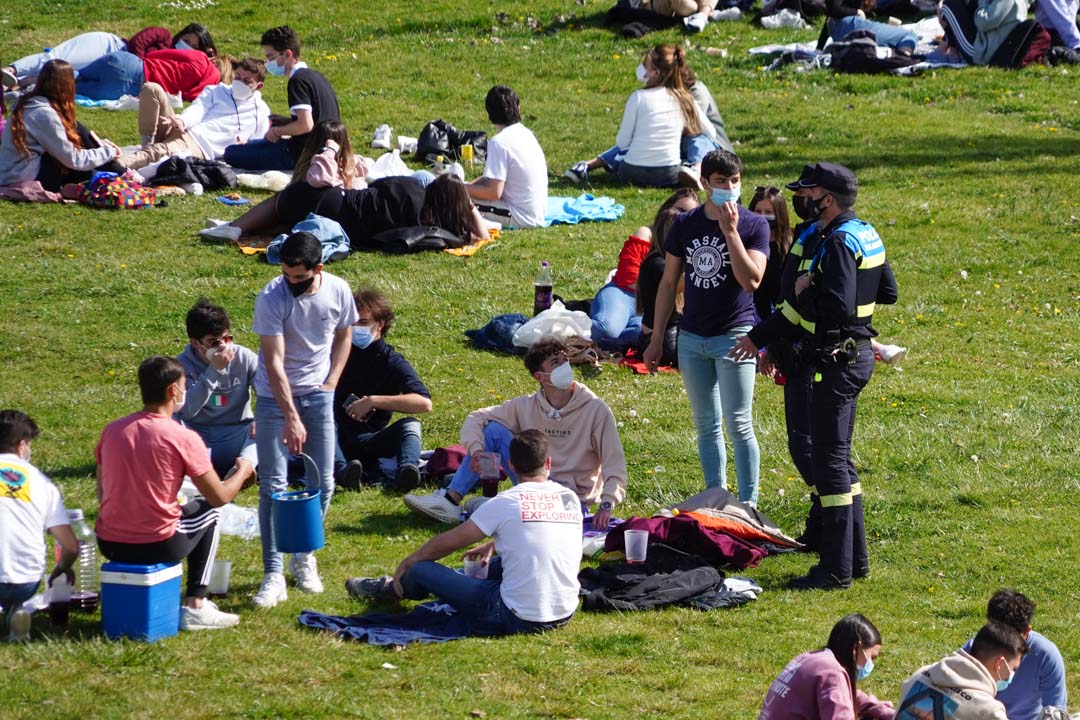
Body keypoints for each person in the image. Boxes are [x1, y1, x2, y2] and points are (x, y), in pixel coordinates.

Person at [778, 162, 897, 590]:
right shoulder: (866, 232)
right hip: (857, 355)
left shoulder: (838, 242)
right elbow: (888, 292)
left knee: (830, 463)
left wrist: (811, 286)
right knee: (840, 461)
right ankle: (856, 560)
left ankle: (835, 569)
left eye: (807, 193)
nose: (801, 199)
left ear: (826, 198)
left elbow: (838, 308)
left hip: (837, 360)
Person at [346, 430, 581, 637]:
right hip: (564, 612)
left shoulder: (507, 502)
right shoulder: (568, 498)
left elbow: (449, 542)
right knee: (494, 565)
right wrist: (494, 545)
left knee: (421, 569)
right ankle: (433, 581)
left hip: (514, 616)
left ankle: (392, 588)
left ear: (511, 465)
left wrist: (410, 561)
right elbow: (545, 538)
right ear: (548, 463)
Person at [644, 149, 769, 506]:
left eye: (735, 181)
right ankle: (717, 494)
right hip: (692, 337)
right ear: (704, 183)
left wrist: (731, 233)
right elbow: (668, 284)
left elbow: (752, 281)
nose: (729, 188)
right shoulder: (686, 225)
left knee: (738, 423)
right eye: (721, 182)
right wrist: (656, 339)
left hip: (734, 335)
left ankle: (748, 504)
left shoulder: (753, 225)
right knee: (706, 424)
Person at [404, 338, 627, 530]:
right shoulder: (527, 406)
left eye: (565, 360)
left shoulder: (596, 410)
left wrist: (607, 504)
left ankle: (495, 506)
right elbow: (476, 417)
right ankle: (451, 500)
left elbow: (614, 464)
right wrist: (477, 451)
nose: (564, 366)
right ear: (540, 377)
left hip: (570, 500)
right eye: (556, 362)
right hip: (534, 482)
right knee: (493, 430)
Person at [95, 356, 248, 630]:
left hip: (109, 543)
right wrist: (244, 471)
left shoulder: (112, 430)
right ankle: (196, 605)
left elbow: (103, 492)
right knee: (209, 512)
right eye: (184, 385)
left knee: (190, 507)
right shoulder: (182, 437)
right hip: (156, 543)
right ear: (173, 391)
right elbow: (219, 497)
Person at [250, 232, 358, 608]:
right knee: (273, 486)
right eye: (285, 274)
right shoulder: (271, 296)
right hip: (272, 399)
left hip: (318, 395)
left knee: (323, 483)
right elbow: (274, 363)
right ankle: (272, 573)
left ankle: (303, 556)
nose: (290, 283)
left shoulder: (339, 290)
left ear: (319, 269)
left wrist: (332, 381)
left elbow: (345, 335)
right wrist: (290, 417)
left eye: (299, 277)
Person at [201, 124, 487, 248]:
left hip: (338, 203)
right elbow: (483, 236)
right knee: (289, 219)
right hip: (350, 230)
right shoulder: (442, 231)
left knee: (281, 203)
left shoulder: (411, 188)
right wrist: (470, 208)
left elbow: (376, 186)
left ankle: (236, 226)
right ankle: (239, 228)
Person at [565, 45, 718, 189]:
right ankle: (694, 168)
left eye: (645, 64)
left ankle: (586, 166)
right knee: (701, 139)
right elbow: (711, 133)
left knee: (631, 145)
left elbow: (622, 142)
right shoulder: (685, 98)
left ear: (656, 73)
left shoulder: (638, 96)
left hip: (631, 174)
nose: (642, 68)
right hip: (669, 175)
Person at [333, 287, 433, 492]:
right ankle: (342, 471)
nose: (354, 328)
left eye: (362, 322)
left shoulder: (392, 362)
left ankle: (407, 471)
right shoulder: (334, 351)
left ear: (380, 325)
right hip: (332, 436)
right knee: (320, 416)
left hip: (371, 440)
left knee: (410, 426)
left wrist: (374, 401)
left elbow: (424, 402)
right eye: (351, 322)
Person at [590, 187, 700, 354]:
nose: (682, 218)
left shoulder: (692, 246)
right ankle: (565, 327)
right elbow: (629, 276)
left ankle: (617, 339)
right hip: (624, 293)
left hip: (652, 308)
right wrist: (662, 286)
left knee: (647, 336)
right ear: (667, 209)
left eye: (690, 214)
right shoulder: (646, 233)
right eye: (680, 210)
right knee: (606, 330)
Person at [0, 410, 79, 642]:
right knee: (16, 591)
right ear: (22, 445)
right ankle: (18, 611)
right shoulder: (42, 482)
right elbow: (71, 546)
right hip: (26, 580)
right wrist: (62, 567)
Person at [222, 26, 340, 172]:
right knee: (253, 145)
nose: (267, 62)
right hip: (326, 148)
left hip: (301, 155)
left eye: (270, 57)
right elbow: (317, 120)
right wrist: (287, 122)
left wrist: (277, 131)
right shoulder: (316, 77)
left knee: (231, 153)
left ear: (287, 54)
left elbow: (306, 125)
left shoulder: (297, 81)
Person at [120, 57, 270, 169]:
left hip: (199, 145)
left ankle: (119, 164)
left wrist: (245, 145)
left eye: (247, 81)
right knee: (151, 89)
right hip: (180, 127)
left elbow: (258, 144)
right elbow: (198, 109)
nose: (240, 83)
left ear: (259, 86)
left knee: (160, 151)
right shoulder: (216, 90)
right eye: (238, 77)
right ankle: (146, 143)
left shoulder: (261, 111)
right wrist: (181, 121)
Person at [0, 60, 124, 191]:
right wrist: (108, 151)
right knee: (83, 170)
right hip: (21, 177)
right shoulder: (44, 114)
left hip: (10, 172)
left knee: (76, 132)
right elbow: (73, 159)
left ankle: (117, 170)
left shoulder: (28, 102)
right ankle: (120, 172)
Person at [175, 299, 259, 487]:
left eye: (227, 339)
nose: (222, 347)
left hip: (238, 432)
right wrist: (214, 371)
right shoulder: (181, 365)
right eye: (213, 342)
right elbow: (187, 410)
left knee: (273, 423)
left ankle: (244, 468)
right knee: (171, 421)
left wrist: (261, 418)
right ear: (196, 343)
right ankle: (195, 472)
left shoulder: (244, 357)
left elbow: (269, 392)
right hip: (198, 435)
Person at [759, 613, 894, 720]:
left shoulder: (810, 659)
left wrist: (883, 711)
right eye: (872, 657)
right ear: (856, 648)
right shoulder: (832, 672)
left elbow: (843, 695)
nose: (871, 664)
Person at [959, 590, 1068, 720]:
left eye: (1013, 640)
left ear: (1027, 631)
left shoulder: (1046, 655)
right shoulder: (974, 650)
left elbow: (1056, 710)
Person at [1, 24, 216, 89]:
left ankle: (17, 84)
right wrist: (137, 63)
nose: (186, 46)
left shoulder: (182, 63)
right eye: (186, 40)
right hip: (109, 47)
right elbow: (138, 40)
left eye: (193, 46)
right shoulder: (164, 36)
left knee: (67, 75)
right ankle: (13, 70)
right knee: (58, 59)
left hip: (122, 68)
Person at [898, 621, 1028, 720]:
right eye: (1013, 668)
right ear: (1000, 664)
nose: (1012, 674)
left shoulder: (920, 674)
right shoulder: (989, 711)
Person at [465, 85, 548, 229]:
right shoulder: (526, 133)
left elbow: (493, 192)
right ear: (518, 108)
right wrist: (468, 185)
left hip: (521, 217)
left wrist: (461, 188)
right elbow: (491, 178)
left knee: (454, 198)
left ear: (489, 114)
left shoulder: (499, 143)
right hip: (536, 211)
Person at [635, 188, 701, 366]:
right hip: (660, 338)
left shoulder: (675, 261)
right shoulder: (656, 263)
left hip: (673, 332)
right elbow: (684, 283)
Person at [75, 45, 220, 102]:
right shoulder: (208, 87)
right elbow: (190, 97)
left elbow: (158, 54)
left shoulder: (200, 58)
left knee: (73, 75)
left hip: (127, 61)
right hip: (128, 86)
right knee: (67, 88)